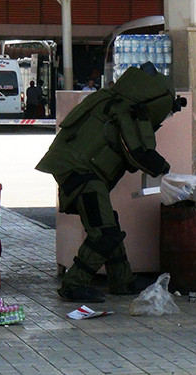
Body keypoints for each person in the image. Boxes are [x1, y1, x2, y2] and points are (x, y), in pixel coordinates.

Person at [36, 63, 186, 302]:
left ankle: (122, 279)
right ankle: (73, 284)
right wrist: (167, 170)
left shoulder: (109, 97)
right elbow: (139, 152)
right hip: (84, 172)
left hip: (75, 169)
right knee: (104, 233)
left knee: (108, 225)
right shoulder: (126, 109)